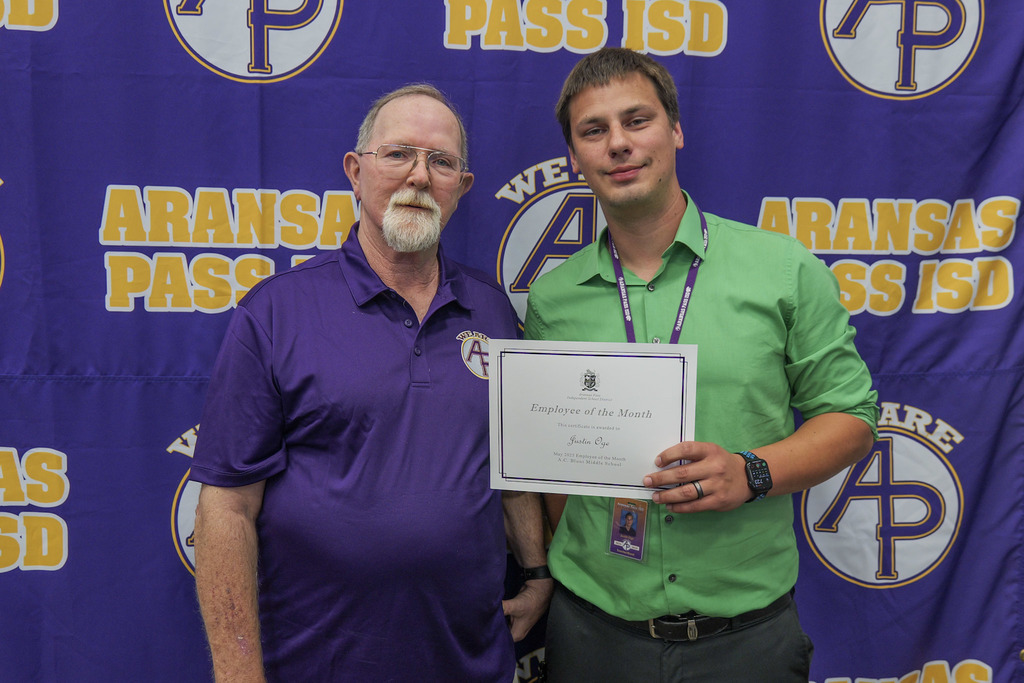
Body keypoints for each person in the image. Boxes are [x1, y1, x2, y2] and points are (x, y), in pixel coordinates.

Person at [524, 48, 879, 682]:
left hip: (746, 641)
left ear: (676, 130)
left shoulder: (783, 270)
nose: (619, 145)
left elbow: (852, 417)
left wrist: (753, 472)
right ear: (576, 159)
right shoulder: (553, 299)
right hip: (593, 633)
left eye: (637, 120)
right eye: (594, 130)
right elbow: (553, 461)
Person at [191, 83, 552, 682]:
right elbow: (225, 506)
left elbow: (509, 463)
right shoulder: (277, 313)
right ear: (355, 173)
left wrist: (536, 570)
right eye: (398, 154)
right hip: (317, 664)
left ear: (460, 189)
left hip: (469, 661)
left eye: (441, 161)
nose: (418, 175)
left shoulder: (493, 313)